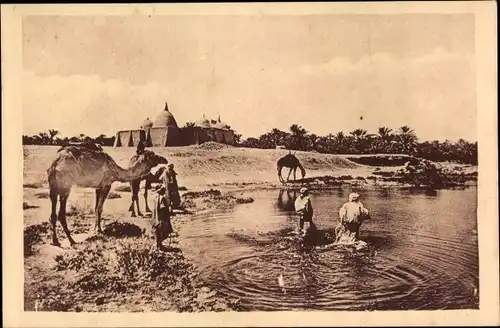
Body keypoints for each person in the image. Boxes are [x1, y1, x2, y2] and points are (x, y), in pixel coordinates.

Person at [151, 184, 174, 250]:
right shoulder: (162, 198)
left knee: (158, 233)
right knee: (165, 233)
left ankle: (159, 246)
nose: (165, 191)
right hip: (161, 218)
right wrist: (168, 212)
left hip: (155, 218)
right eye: (164, 190)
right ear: (161, 190)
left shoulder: (155, 197)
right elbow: (162, 208)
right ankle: (158, 245)